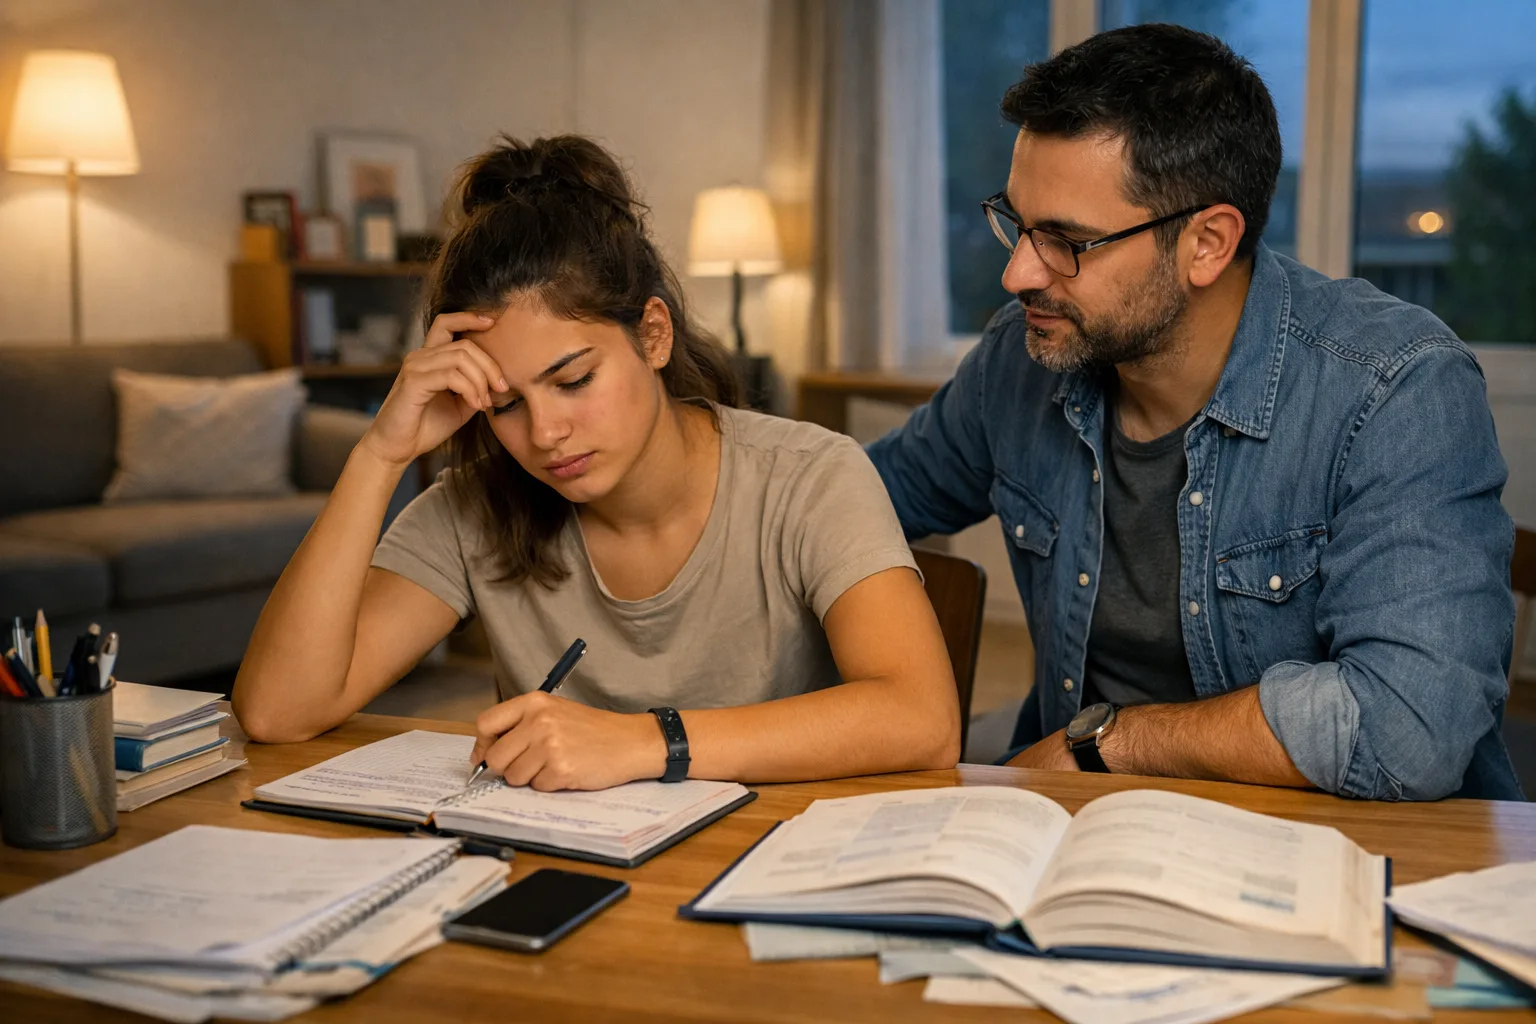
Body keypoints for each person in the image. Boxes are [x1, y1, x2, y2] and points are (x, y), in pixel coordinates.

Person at [867, 24, 1523, 800]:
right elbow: (860, 500)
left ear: (1208, 243)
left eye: (1066, 241)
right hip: (1076, 824)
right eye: (1016, 223)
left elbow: (1408, 730)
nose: (1017, 274)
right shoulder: (1023, 356)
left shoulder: (1394, 389)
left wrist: (1106, 745)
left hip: (1336, 842)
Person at [233, 135, 959, 789]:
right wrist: (379, 454)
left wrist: (645, 742)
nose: (546, 433)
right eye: (505, 404)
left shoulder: (811, 477)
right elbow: (276, 711)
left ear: (653, 335)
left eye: (574, 380)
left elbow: (922, 719)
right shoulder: (474, 507)